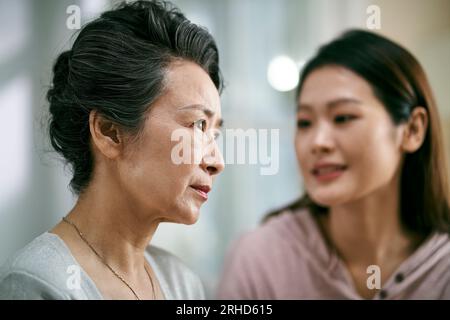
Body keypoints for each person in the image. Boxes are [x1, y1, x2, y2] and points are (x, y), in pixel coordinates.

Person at [0, 0, 224, 300]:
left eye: (215, 134)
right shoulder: (40, 283)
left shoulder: (183, 283)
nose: (217, 162)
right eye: (197, 125)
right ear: (109, 132)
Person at [217, 29, 450, 299]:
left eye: (342, 118)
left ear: (412, 130)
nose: (318, 142)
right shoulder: (260, 259)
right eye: (304, 122)